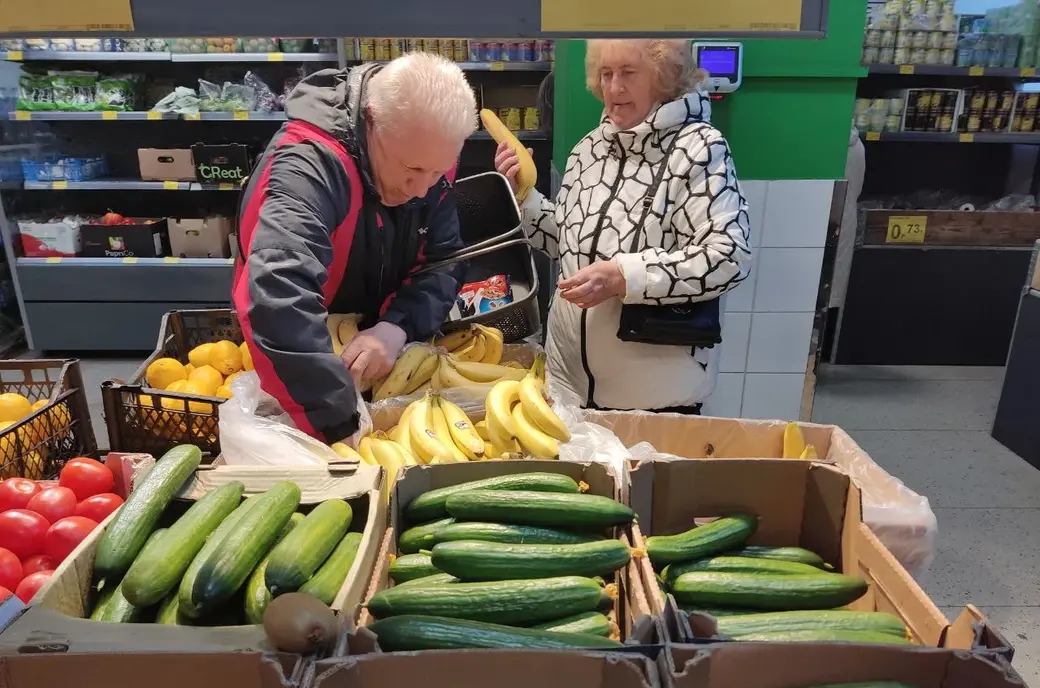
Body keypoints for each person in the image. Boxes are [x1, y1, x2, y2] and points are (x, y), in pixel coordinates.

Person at [232, 53, 477, 443]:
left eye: (439, 171)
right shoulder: (308, 167)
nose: (423, 188)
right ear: (371, 120)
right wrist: (338, 426)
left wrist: (396, 328)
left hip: (384, 354)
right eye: (412, 170)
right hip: (301, 366)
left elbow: (442, 260)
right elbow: (277, 293)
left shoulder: (425, 149)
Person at [495, 39, 750, 413]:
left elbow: (728, 257)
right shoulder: (589, 149)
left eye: (628, 73)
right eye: (606, 73)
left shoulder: (699, 149)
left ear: (663, 78)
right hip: (569, 392)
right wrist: (524, 197)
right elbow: (563, 244)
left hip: (653, 404)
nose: (614, 88)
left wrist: (624, 276)